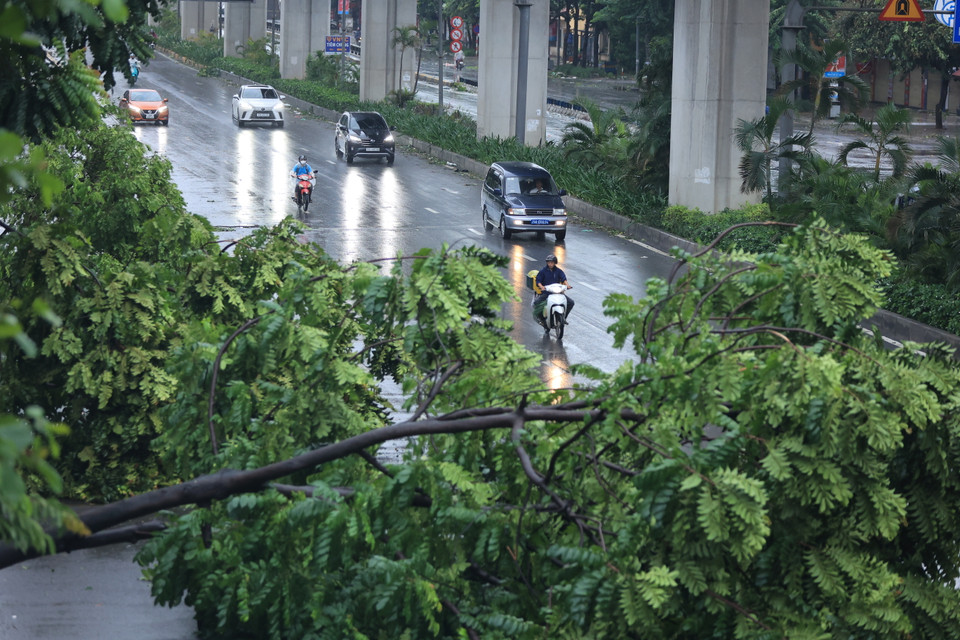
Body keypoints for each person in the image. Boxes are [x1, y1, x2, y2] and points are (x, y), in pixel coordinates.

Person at [533, 254, 574, 328]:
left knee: (571, 302)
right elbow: (538, 281)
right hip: (547, 293)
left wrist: (567, 285)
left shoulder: (559, 271)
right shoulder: (543, 271)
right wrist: (541, 287)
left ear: (555, 263)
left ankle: (563, 318)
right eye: (549, 262)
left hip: (557, 293)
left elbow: (564, 279)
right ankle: (542, 320)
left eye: (552, 262)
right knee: (536, 303)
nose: (550, 264)